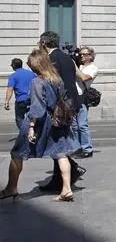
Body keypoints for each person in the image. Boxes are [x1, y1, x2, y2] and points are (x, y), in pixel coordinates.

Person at [1, 49, 79, 202]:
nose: (29, 66)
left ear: (36, 65)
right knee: (61, 153)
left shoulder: (37, 81)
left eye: (30, 63)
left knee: (17, 153)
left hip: (41, 122)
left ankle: (11, 187)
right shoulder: (57, 79)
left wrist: (31, 126)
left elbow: (37, 107)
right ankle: (67, 189)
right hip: (57, 121)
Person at [37, 31, 84, 193]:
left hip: (61, 105)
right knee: (59, 141)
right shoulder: (67, 58)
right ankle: (59, 179)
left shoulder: (51, 59)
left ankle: (70, 172)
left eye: (39, 43)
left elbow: (54, 84)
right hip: (71, 103)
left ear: (44, 43)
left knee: (57, 142)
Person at [72, 46, 98, 159]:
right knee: (74, 125)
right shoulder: (80, 66)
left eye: (84, 54)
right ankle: (78, 148)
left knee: (82, 125)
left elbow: (83, 78)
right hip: (72, 97)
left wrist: (73, 65)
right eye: (80, 54)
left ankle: (87, 149)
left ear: (90, 56)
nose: (81, 56)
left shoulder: (93, 68)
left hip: (82, 97)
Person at [5, 58, 36, 131]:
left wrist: (7, 101)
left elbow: (10, 89)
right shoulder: (31, 74)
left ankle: (24, 133)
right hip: (32, 99)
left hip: (21, 100)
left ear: (13, 66)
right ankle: (32, 131)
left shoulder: (13, 76)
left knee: (19, 118)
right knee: (32, 117)